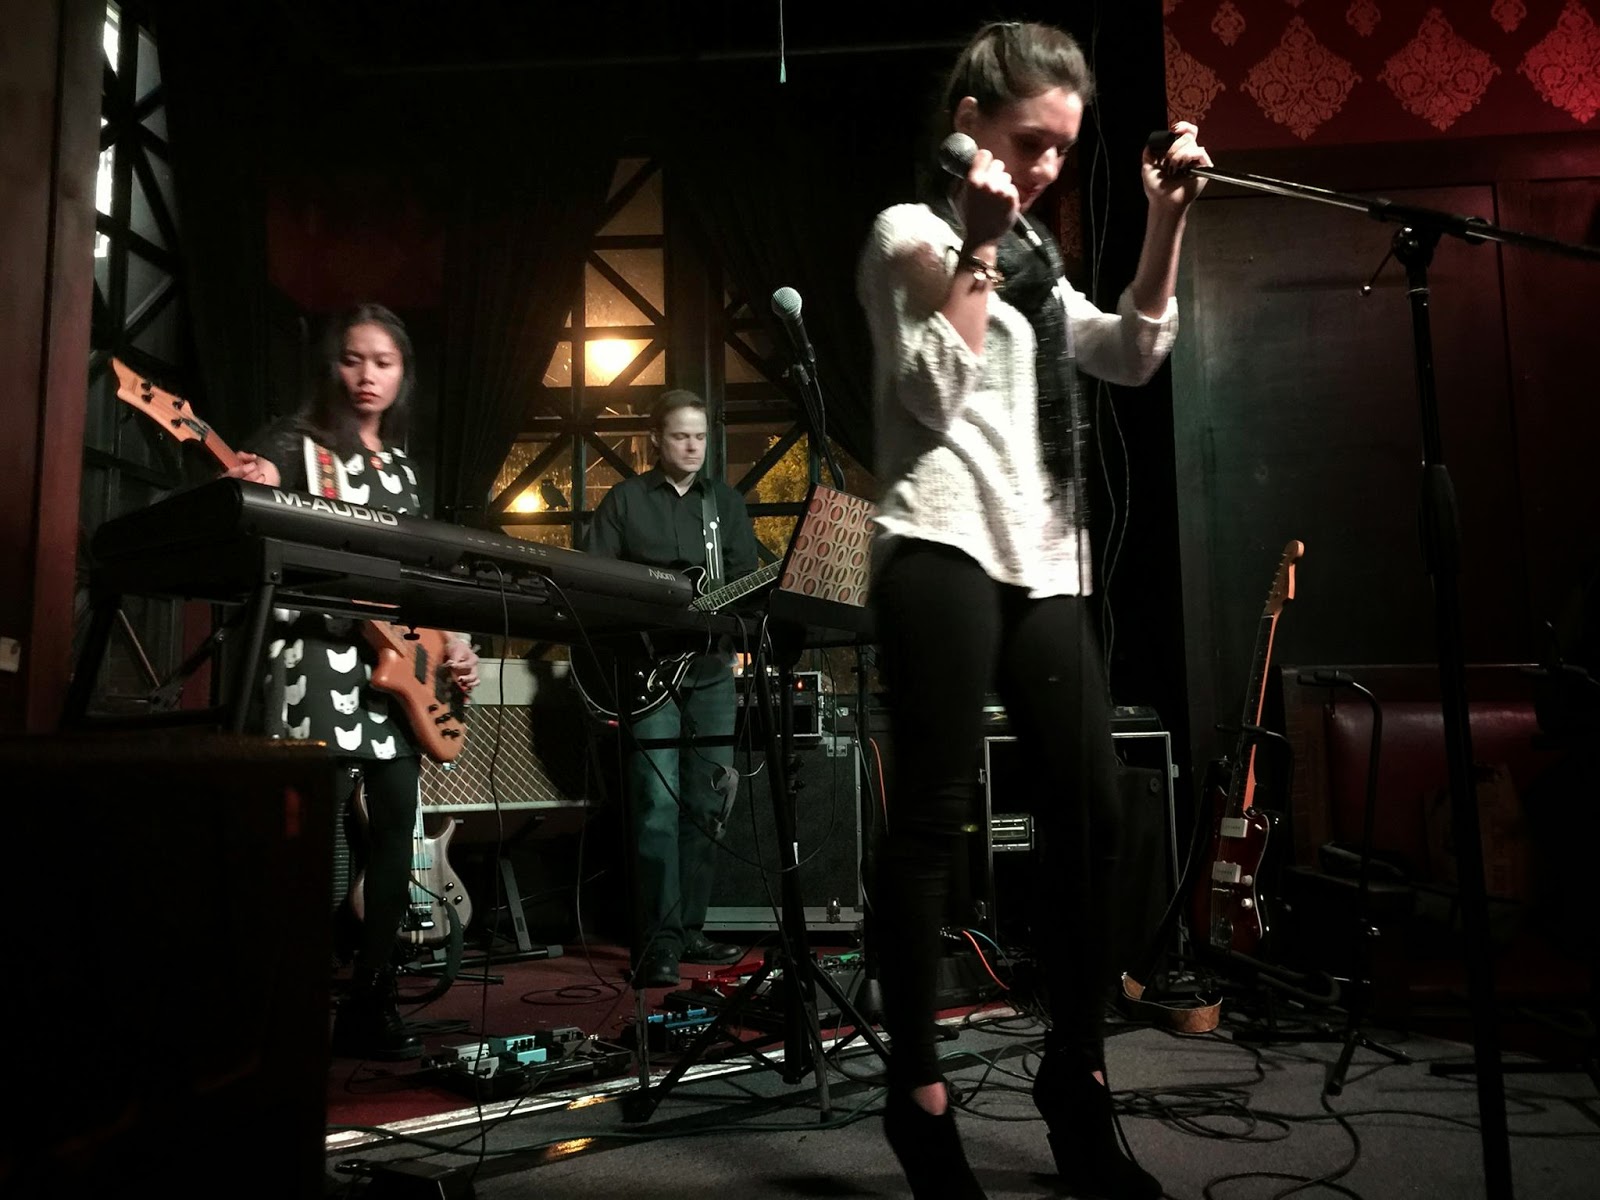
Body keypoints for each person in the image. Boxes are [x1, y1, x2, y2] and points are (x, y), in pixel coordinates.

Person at [856, 21, 1210, 1200]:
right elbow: (929, 387)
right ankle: (918, 1093)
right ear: (970, 121)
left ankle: (1076, 1074)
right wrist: (974, 246)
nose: (1048, 167)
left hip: (1044, 559)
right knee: (931, 823)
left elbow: (1132, 353)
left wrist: (1164, 220)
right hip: (939, 542)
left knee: (1095, 814)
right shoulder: (909, 235)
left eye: (1064, 147)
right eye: (1029, 140)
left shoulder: (1040, 270)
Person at [225, 303, 480, 1061]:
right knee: (309, 833)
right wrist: (256, 481)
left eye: (384, 362)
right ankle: (286, 1001)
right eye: (353, 358)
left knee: (397, 824)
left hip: (395, 674)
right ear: (332, 366)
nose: (367, 375)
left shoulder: (401, 469)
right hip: (316, 654)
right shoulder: (294, 443)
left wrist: (456, 640)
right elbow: (258, 503)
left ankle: (373, 999)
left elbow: (421, 577)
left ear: (403, 375)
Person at [585, 389, 758, 987]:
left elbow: (746, 580)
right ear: (656, 439)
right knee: (655, 804)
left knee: (708, 800)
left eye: (700, 437)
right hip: (648, 673)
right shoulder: (624, 501)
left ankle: (689, 928)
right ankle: (657, 942)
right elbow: (593, 585)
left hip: (710, 671)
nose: (692, 446)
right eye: (681, 436)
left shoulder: (724, 503)